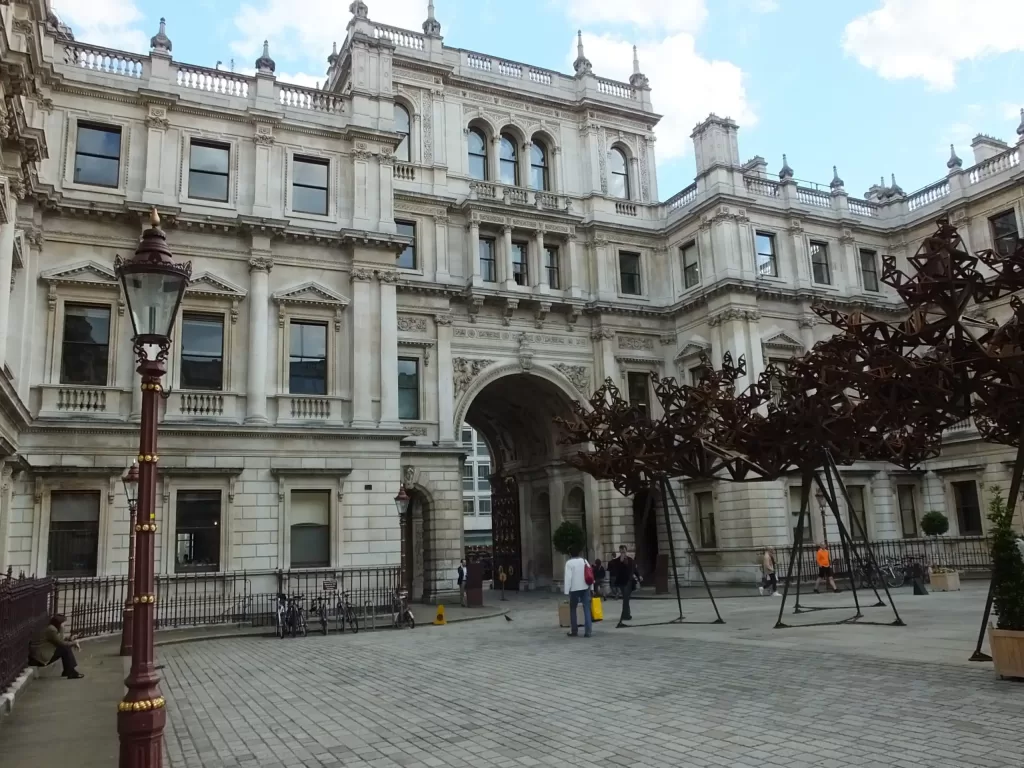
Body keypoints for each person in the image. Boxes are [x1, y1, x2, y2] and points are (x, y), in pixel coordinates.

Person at [28, 614, 83, 679]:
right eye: (63, 623)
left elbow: (57, 640)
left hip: (39, 655)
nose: (65, 625)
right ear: (59, 623)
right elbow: (61, 643)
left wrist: (69, 638)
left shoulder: (51, 628)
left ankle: (69, 671)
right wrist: (73, 643)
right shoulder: (51, 630)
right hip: (39, 658)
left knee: (65, 648)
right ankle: (70, 672)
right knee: (65, 648)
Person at [563, 547, 593, 638]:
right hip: (585, 587)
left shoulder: (569, 563)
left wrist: (566, 591)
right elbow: (590, 574)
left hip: (574, 589)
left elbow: (568, 578)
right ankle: (588, 631)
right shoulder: (584, 561)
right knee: (587, 608)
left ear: (570, 554)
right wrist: (591, 587)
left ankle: (574, 630)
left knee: (573, 608)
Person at [611, 545, 640, 628]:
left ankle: (626, 614)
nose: (623, 552)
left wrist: (639, 576)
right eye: (621, 551)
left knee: (626, 598)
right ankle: (626, 615)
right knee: (626, 598)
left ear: (626, 551)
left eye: (624, 551)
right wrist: (620, 561)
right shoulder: (617, 561)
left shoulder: (630, 560)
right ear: (620, 551)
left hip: (629, 581)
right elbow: (615, 570)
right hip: (622, 581)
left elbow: (634, 569)